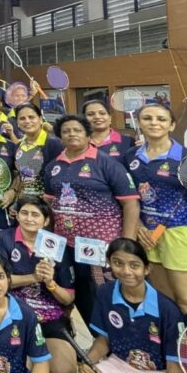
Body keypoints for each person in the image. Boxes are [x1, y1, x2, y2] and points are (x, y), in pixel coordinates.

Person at [71, 238, 187, 373]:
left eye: (134, 265)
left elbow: (176, 370)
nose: (126, 271)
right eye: (118, 263)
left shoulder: (168, 310)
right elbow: (103, 340)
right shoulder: (105, 292)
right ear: (109, 263)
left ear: (147, 269)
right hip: (122, 366)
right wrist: (88, 362)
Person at [43, 115, 140, 322]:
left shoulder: (106, 163)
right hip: (66, 246)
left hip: (101, 246)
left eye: (77, 130)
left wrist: (127, 244)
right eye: (66, 131)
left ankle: (113, 336)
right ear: (60, 137)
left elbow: (130, 203)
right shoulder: (53, 166)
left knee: (104, 296)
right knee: (79, 296)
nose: (72, 134)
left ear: (88, 134)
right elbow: (49, 205)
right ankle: (94, 337)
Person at [127, 104, 187, 313]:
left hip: (181, 235)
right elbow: (131, 199)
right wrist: (139, 226)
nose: (154, 123)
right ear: (139, 123)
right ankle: (171, 334)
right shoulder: (131, 156)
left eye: (161, 119)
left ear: (172, 125)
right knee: (163, 301)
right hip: (148, 236)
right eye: (147, 118)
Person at [0, 196, 77, 373]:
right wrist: (34, 277)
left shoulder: (57, 245)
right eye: (24, 213)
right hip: (15, 314)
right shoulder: (3, 239)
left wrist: (50, 283)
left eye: (35, 214)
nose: (29, 218)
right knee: (18, 372)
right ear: (17, 215)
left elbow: (68, 298)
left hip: (50, 318)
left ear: (45, 220)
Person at [13, 103, 64, 198]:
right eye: (22, 118)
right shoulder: (18, 146)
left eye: (31, 117)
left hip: (48, 202)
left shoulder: (54, 143)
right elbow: (20, 176)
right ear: (17, 123)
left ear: (40, 119)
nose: (27, 121)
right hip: (25, 201)